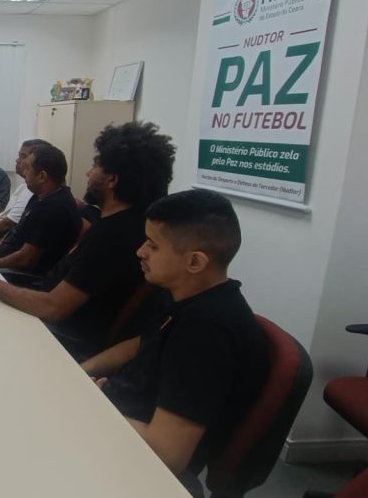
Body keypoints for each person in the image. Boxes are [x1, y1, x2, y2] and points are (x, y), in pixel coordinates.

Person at [81, 189, 268, 496]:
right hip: (114, 416)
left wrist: (91, 405)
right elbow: (142, 343)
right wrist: (78, 372)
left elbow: (167, 454)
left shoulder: (207, 334)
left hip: (131, 462)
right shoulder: (186, 297)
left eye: (153, 245)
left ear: (194, 261)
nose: (140, 251)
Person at [0, 121, 175, 360]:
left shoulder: (112, 237)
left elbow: (53, 308)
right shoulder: (128, 224)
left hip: (58, 338)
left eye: (95, 165)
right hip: (49, 316)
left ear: (112, 180)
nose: (88, 173)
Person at [0, 143, 81, 277]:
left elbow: (25, 259)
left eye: (28, 169)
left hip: (25, 276)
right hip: (5, 264)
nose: (24, 173)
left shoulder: (52, 208)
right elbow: (13, 235)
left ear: (42, 176)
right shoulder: (39, 196)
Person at [0, 139, 51, 251]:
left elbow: (8, 224)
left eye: (23, 156)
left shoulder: (32, 190)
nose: (17, 160)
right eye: (19, 155)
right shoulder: (24, 186)